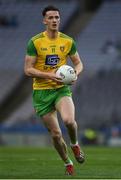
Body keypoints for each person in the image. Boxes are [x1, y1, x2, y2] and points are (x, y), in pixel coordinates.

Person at [24, 5, 85, 175]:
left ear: (59, 19)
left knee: (69, 121)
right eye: (50, 18)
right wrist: (48, 75)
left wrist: (75, 74)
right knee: (56, 134)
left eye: (56, 17)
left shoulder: (67, 41)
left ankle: (74, 144)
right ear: (44, 21)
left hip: (61, 89)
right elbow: (28, 70)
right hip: (42, 92)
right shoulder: (35, 42)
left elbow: (79, 63)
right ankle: (68, 163)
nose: (54, 20)